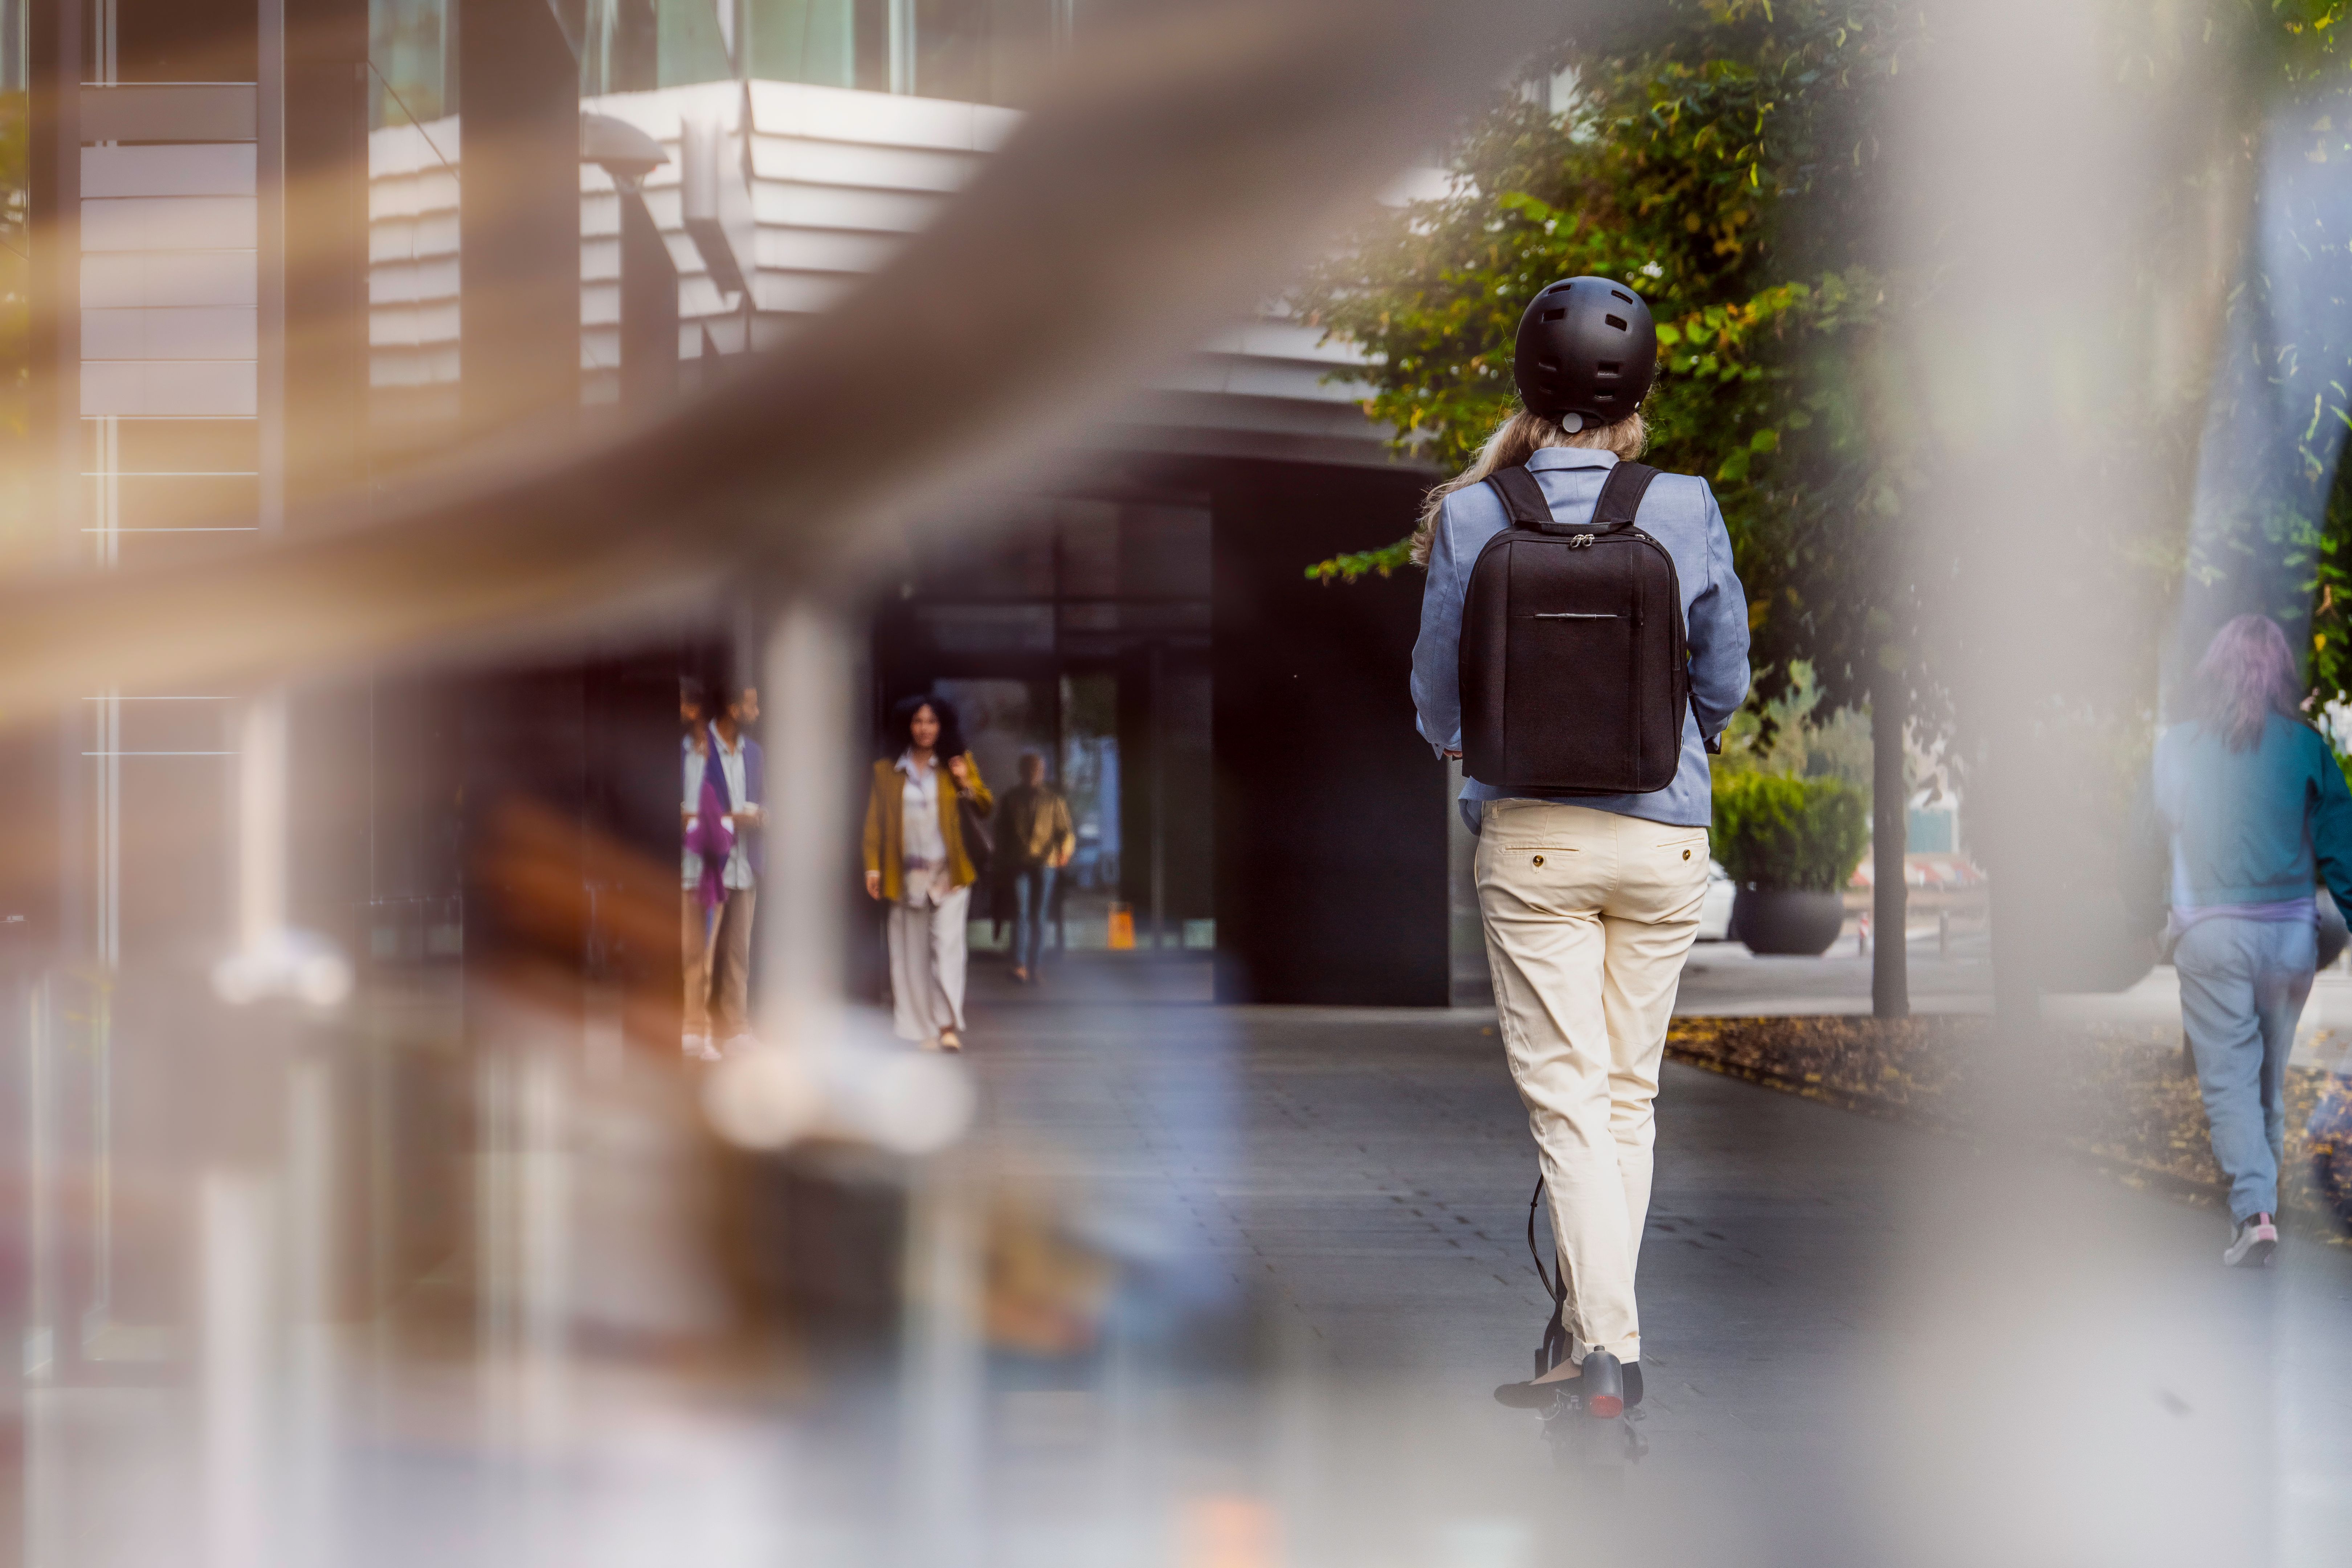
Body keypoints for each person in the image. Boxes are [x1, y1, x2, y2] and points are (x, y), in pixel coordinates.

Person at [1409, 278, 1749, 1414]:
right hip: (1667, 841)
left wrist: (1467, 751)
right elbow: (1729, 679)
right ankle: (1588, 1344)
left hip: (1535, 843)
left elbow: (1434, 694)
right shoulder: (1687, 505)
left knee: (1566, 1102)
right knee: (1624, 1101)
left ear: (1527, 385)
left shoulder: (1473, 513)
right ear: (1641, 389)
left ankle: (1606, 1352)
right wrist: (1677, 742)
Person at [2143, 613, 2352, 1267]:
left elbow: (2149, 840)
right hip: (2290, 937)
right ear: (2282, 676)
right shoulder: (2307, 746)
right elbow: (2344, 847)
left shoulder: (2176, 747)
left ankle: (2255, 1211)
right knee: (2266, 1080)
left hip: (2211, 935)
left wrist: (2147, 916)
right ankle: (2264, 1209)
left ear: (2214, 672)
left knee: (2230, 1082)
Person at [863, 694, 992, 1050]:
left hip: (950, 874)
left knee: (947, 950)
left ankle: (947, 1024)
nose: (925, 729)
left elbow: (985, 806)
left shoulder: (956, 764)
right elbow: (874, 824)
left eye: (932, 722)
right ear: (907, 726)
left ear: (942, 726)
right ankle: (919, 1028)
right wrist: (872, 867)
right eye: (918, 721)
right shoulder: (886, 771)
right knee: (909, 954)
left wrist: (966, 782)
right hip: (905, 875)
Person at [706, 682, 765, 1047]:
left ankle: (737, 1028)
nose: (757, 713)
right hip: (709, 865)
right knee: (703, 955)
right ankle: (699, 1029)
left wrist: (761, 817)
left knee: (738, 955)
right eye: (752, 706)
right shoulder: (698, 749)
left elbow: (766, 802)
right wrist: (730, 819)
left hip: (747, 865)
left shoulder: (755, 753)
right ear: (733, 708)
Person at [679, 677, 730, 1063]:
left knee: (707, 957)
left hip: (711, 868)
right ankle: (683, 1027)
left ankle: (700, 1031)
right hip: (679, 866)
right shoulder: (679, 752)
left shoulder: (722, 754)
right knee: (684, 952)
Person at [997, 751, 1076, 984]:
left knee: (1039, 916)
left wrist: (1066, 850)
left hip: (1046, 862)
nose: (1033, 773)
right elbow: (1001, 832)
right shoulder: (1011, 799)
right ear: (1022, 772)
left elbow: (1066, 830)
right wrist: (1000, 860)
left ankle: (1036, 965)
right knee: (1021, 913)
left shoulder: (1054, 801)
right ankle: (1020, 965)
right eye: (1029, 769)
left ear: (1043, 772)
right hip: (1019, 862)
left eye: (1037, 769)